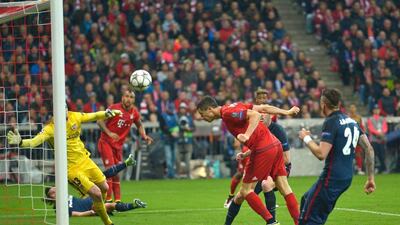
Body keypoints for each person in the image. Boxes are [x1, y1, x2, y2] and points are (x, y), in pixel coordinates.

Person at [7, 107, 123, 225]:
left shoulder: (75, 116)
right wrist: (21, 142)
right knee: (97, 193)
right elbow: (34, 141)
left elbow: (93, 115)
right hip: (71, 169)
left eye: (66, 109)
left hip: (85, 160)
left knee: (105, 188)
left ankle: (97, 207)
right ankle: (108, 222)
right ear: (55, 113)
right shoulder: (50, 128)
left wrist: (107, 113)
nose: (65, 112)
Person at [197, 96, 300, 225]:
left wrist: (247, 135)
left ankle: (271, 222)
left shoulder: (228, 113)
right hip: (274, 144)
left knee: (246, 191)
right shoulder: (233, 106)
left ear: (209, 109)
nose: (202, 117)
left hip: (262, 148)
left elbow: (256, 115)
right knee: (283, 188)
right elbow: (263, 108)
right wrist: (287, 112)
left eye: (202, 114)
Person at [298, 88, 376, 225]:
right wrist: (370, 178)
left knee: (309, 220)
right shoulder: (352, 121)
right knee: (306, 200)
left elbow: (321, 154)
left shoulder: (331, 122)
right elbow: (369, 149)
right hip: (346, 178)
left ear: (323, 104)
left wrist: (306, 138)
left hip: (331, 179)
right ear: (339, 103)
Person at [224, 88, 293, 225]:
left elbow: (286, 159)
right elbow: (258, 148)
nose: (261, 117)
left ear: (270, 116)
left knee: (266, 184)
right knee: (241, 195)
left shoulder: (278, 130)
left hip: (279, 168)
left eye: (264, 115)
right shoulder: (258, 128)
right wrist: (246, 154)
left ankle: (272, 222)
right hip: (262, 166)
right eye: (259, 115)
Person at [45, 155, 147, 217]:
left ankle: (126, 163)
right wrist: (91, 212)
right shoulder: (59, 209)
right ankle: (134, 205)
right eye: (53, 193)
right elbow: (76, 214)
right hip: (91, 202)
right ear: (50, 198)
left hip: (89, 196)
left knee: (103, 177)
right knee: (108, 205)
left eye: (55, 190)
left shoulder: (65, 196)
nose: (56, 192)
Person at [97, 90, 153, 203]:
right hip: (106, 142)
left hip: (118, 147)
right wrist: (109, 133)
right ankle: (108, 201)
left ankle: (117, 201)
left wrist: (144, 135)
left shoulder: (134, 112)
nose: (128, 99)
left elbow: (139, 124)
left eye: (131, 97)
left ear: (134, 100)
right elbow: (99, 121)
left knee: (116, 174)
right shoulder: (114, 108)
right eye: (126, 96)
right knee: (111, 171)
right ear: (122, 97)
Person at [176, 102, 195, 178]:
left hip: (188, 141)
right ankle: (178, 174)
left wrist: (189, 129)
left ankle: (187, 174)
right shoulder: (176, 117)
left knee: (188, 159)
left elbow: (194, 128)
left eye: (184, 108)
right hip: (179, 140)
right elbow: (175, 127)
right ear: (179, 109)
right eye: (181, 108)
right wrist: (181, 128)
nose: (182, 110)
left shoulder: (189, 117)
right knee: (177, 159)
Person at [367, 104, 388, 173]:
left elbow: (385, 128)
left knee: (382, 155)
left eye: (378, 109)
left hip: (381, 139)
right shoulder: (370, 119)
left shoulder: (382, 118)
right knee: (373, 155)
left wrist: (382, 133)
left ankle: (383, 168)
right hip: (374, 140)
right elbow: (370, 128)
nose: (376, 111)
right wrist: (378, 133)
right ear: (373, 110)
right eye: (375, 109)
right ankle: (374, 168)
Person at [348, 104, 365, 174]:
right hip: (349, 138)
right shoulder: (347, 118)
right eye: (351, 108)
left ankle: (359, 169)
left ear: (356, 109)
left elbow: (362, 127)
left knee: (358, 153)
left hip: (357, 138)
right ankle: (349, 169)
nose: (352, 109)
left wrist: (362, 136)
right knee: (348, 154)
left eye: (353, 108)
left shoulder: (359, 118)